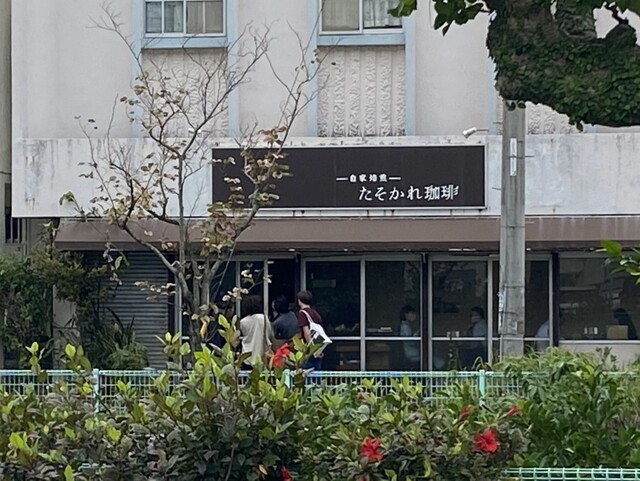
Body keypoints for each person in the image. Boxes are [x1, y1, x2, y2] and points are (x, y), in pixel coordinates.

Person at [239, 295, 273, 368]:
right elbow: (269, 333)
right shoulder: (264, 318)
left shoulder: (243, 321)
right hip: (262, 354)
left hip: (247, 356)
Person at [296, 290, 325, 370]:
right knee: (317, 373)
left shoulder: (303, 313)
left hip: (309, 350)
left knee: (307, 373)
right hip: (318, 347)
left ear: (299, 301)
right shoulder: (315, 313)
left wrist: (312, 349)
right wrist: (318, 350)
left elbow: (307, 333)